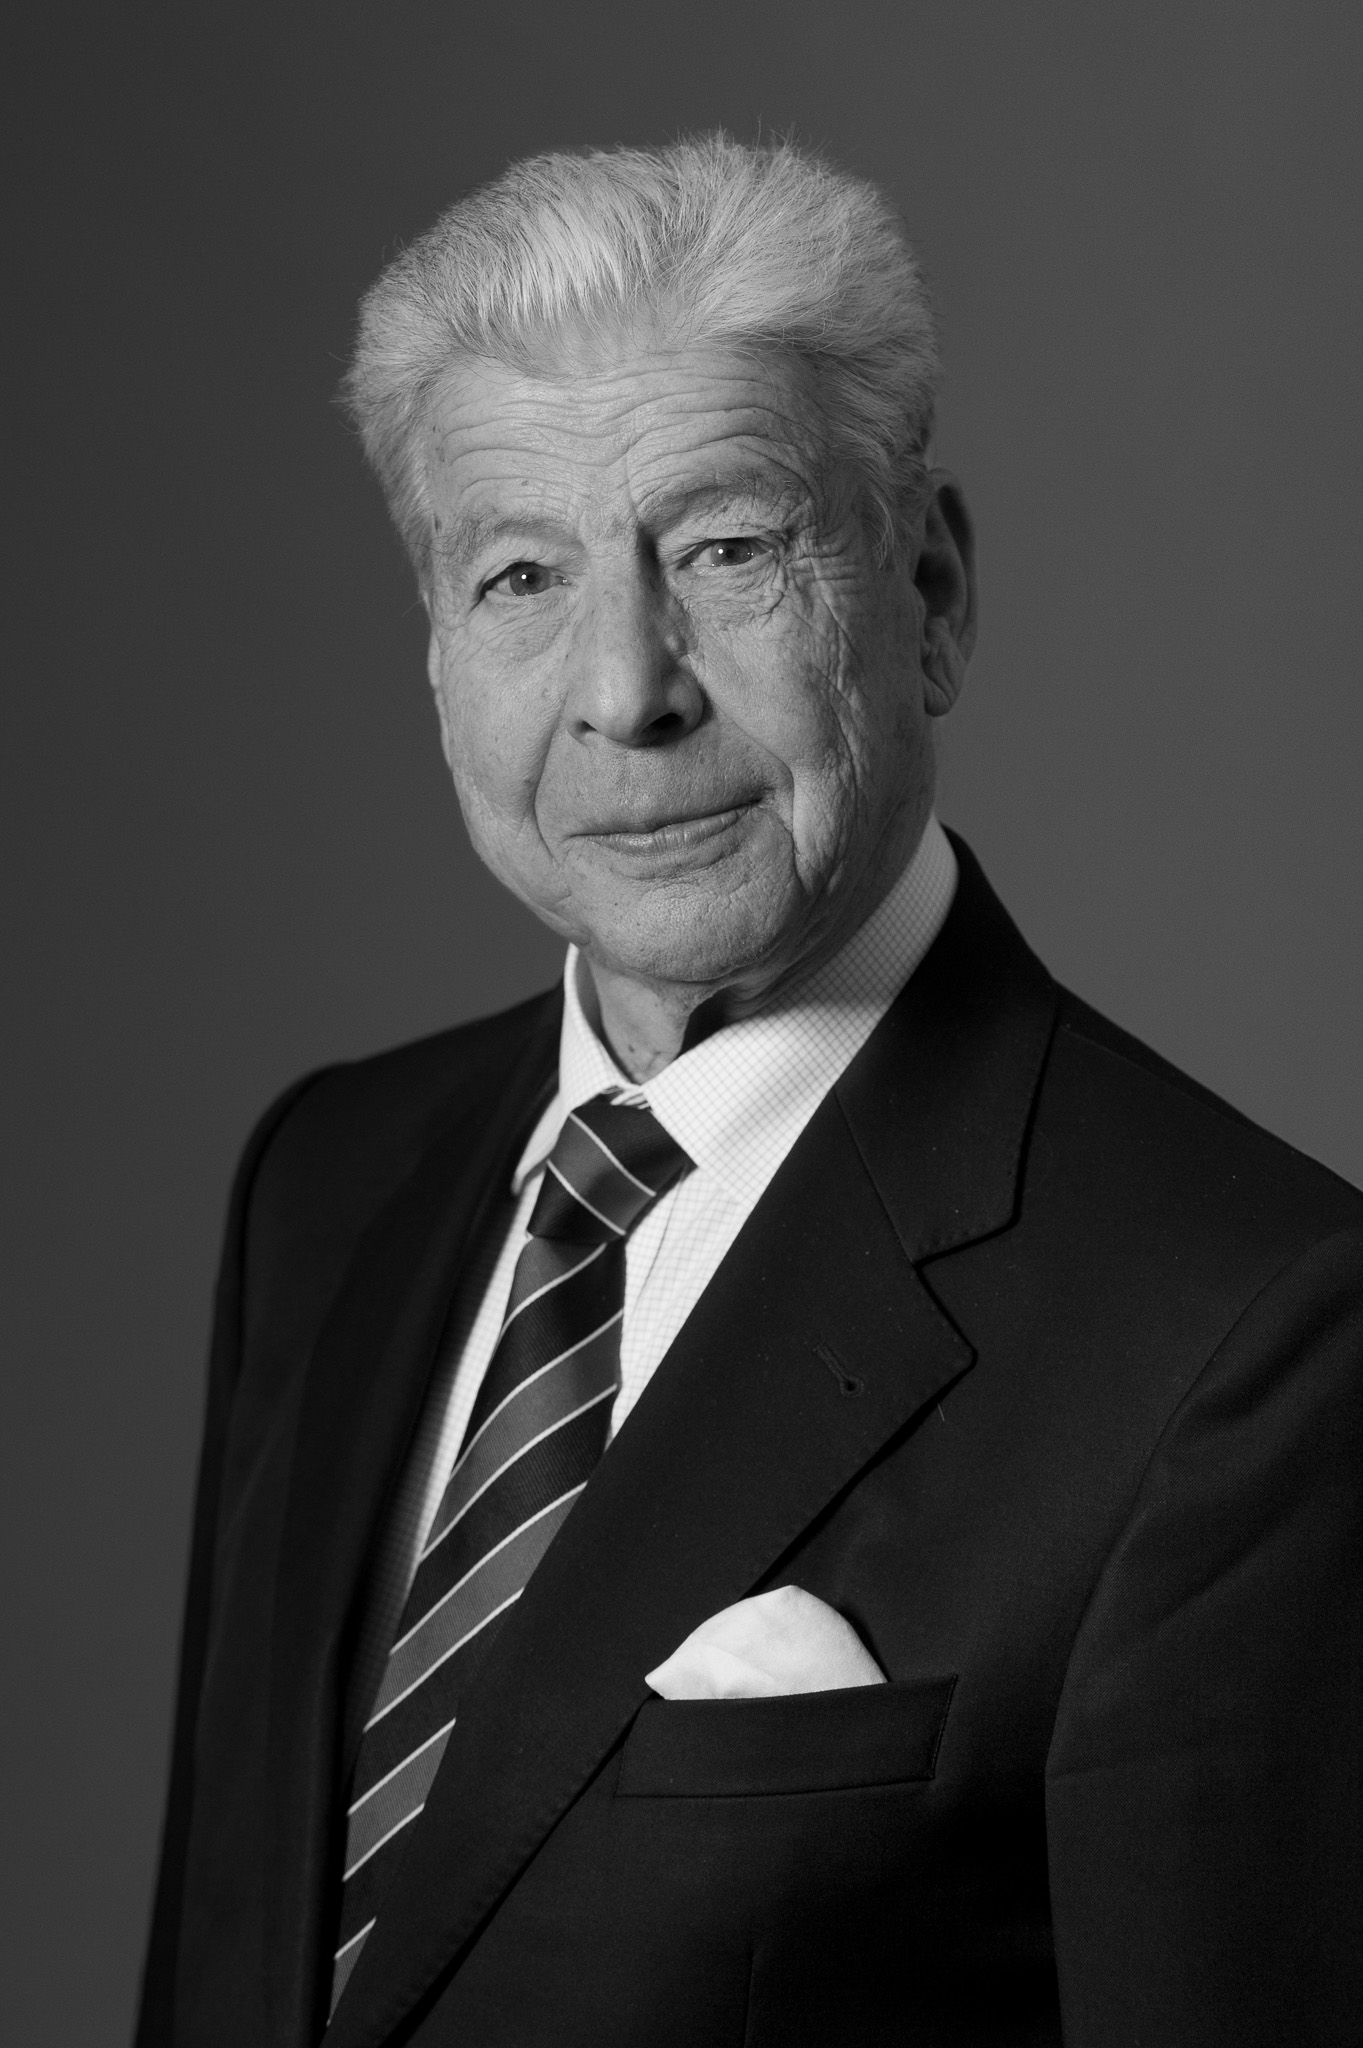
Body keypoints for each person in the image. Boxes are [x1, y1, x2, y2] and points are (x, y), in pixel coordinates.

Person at [135, 135, 1360, 2048]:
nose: (627, 690)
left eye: (725, 549)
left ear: (930, 591)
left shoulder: (1251, 1332)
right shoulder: (328, 1179)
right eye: (521, 576)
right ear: (439, 652)